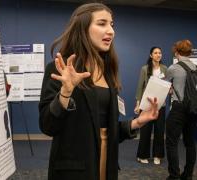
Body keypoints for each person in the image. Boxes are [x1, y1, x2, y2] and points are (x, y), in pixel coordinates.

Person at [38, 3, 159, 180]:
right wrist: (65, 93)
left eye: (112, 24)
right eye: (102, 23)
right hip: (74, 170)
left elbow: (103, 128)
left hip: (106, 162)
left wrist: (137, 123)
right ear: (82, 28)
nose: (111, 31)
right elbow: (48, 126)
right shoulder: (61, 68)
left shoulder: (108, 71)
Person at [165, 39, 197, 180]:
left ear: (177, 52)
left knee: (172, 142)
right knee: (190, 143)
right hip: (193, 108)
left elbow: (164, 86)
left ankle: (174, 176)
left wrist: (171, 90)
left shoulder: (173, 68)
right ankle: (188, 175)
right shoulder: (196, 68)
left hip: (178, 108)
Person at [134, 47, 167, 165]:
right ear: (151, 55)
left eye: (160, 53)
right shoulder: (145, 69)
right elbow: (140, 87)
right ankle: (142, 155)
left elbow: (167, 85)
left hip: (160, 105)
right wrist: (138, 104)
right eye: (156, 53)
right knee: (145, 131)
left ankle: (158, 155)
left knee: (159, 131)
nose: (158, 55)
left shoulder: (165, 69)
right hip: (147, 105)